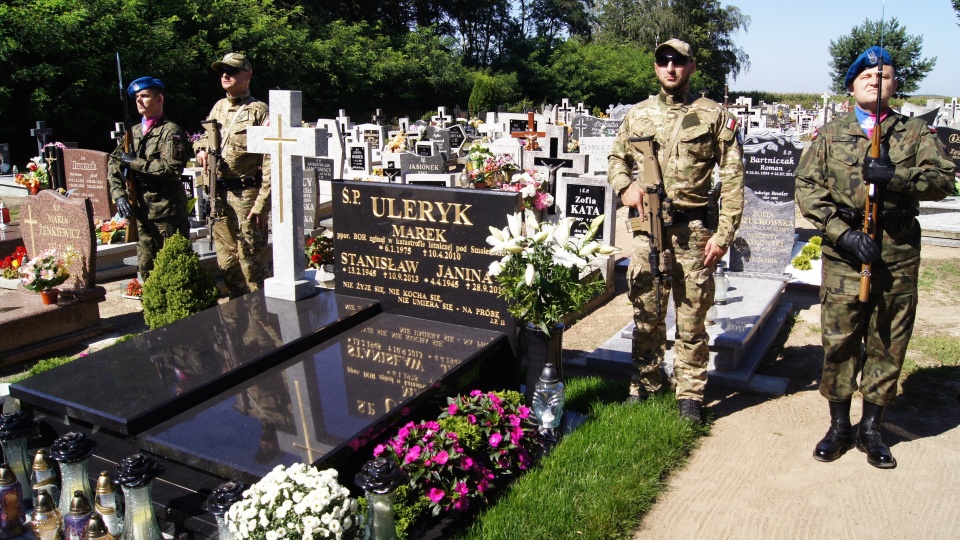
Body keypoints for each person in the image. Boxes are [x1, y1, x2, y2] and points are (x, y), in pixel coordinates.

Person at [795, 46, 954, 469]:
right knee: (840, 339)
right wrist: (843, 235)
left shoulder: (915, 133)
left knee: (887, 339)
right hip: (846, 256)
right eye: (866, 76)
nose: (875, 80)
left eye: (884, 75)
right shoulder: (831, 135)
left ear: (895, 85)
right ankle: (838, 426)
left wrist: (895, 176)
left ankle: (872, 429)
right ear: (851, 86)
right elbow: (808, 189)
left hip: (897, 254)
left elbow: (943, 180)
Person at [608, 39, 744, 423]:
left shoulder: (712, 116)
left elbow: (733, 179)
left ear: (692, 67)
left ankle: (690, 394)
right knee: (646, 310)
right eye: (664, 61)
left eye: (679, 61)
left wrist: (724, 235)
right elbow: (617, 158)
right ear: (655, 67)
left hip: (694, 229)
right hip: (647, 229)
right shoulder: (638, 115)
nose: (671, 68)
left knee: (691, 316)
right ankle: (646, 382)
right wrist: (625, 186)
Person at [194, 52, 271, 299]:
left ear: (247, 76)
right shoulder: (218, 107)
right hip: (219, 193)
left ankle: (262, 321)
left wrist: (263, 204)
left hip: (247, 193)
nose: (225, 75)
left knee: (251, 262)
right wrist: (202, 150)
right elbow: (205, 137)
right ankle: (241, 318)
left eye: (232, 71)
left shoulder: (259, 111)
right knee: (227, 263)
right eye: (222, 71)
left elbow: (270, 159)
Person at [108, 76, 190, 281]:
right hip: (142, 210)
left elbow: (172, 169)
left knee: (173, 266)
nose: (139, 101)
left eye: (144, 96)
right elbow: (114, 164)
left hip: (166, 212)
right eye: (137, 97)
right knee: (146, 267)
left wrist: (135, 162)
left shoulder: (170, 132)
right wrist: (119, 196)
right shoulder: (133, 132)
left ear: (159, 98)